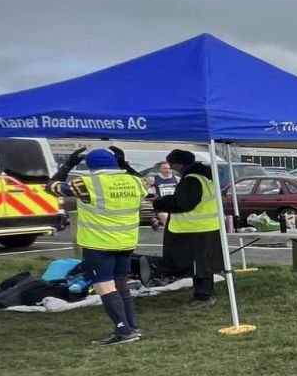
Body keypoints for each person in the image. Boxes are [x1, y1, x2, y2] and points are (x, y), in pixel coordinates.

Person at [51, 146, 144, 344]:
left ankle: (123, 331)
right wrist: (124, 162)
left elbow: (51, 186)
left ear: (90, 166)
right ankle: (132, 326)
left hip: (98, 243)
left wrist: (68, 164)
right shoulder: (135, 181)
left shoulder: (85, 183)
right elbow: (144, 183)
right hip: (126, 242)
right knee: (121, 284)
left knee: (104, 286)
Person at [154, 147, 224, 310]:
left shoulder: (191, 179)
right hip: (206, 227)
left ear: (179, 164)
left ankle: (203, 296)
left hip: (193, 229)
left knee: (197, 265)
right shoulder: (204, 177)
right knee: (203, 263)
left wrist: (160, 202)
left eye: (172, 164)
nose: (171, 168)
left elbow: (183, 203)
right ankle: (207, 293)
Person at [148, 161, 180, 229]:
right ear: (160, 169)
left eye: (169, 168)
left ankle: (157, 220)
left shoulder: (177, 179)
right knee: (167, 220)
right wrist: (151, 198)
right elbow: (145, 192)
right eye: (165, 168)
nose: (167, 170)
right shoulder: (153, 179)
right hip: (161, 206)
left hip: (174, 205)